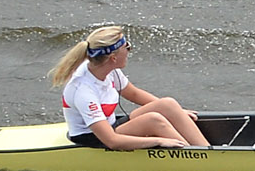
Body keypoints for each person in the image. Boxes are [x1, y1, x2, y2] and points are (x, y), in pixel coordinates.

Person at [51, 27, 208, 150]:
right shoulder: (83, 91)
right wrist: (159, 140)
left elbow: (133, 93)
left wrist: (176, 113)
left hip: (111, 126)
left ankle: (205, 149)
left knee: (168, 104)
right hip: (95, 137)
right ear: (113, 58)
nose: (129, 51)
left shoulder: (107, 69)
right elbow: (112, 141)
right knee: (154, 120)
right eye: (127, 47)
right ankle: (198, 158)